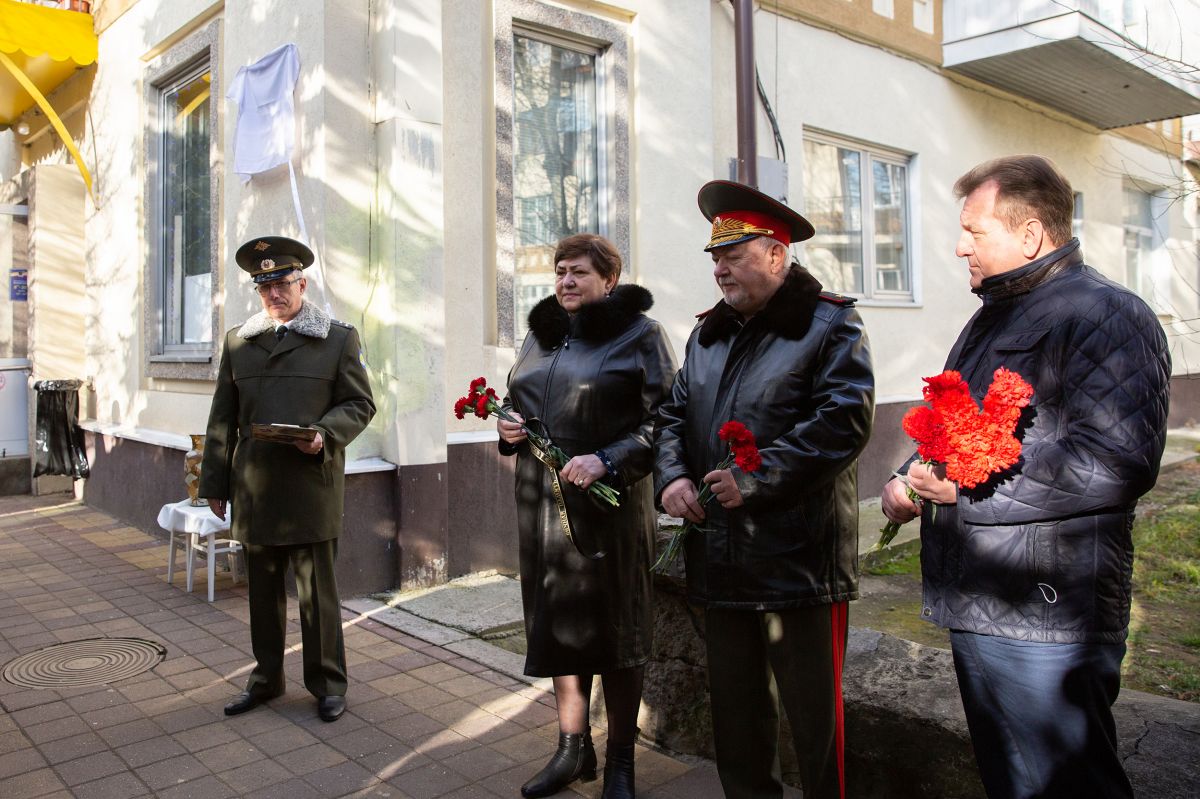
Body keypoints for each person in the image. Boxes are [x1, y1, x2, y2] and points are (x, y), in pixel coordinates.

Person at [881, 155, 1170, 799]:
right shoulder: (992, 316)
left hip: (1049, 616)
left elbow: (1115, 461)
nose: (960, 247)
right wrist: (909, 476)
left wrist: (966, 489)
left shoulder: (1107, 316)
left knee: (1069, 786)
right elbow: (957, 421)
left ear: (1032, 233)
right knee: (1010, 780)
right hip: (980, 597)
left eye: (974, 232)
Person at [654, 180, 874, 799]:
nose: (720, 268)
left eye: (734, 255)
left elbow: (843, 422)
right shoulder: (707, 334)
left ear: (776, 254)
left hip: (797, 561)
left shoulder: (830, 324)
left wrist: (755, 477)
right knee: (737, 714)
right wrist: (671, 478)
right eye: (716, 258)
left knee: (814, 724)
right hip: (720, 558)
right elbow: (672, 415)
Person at [497, 233, 676, 799]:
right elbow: (517, 398)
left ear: (610, 280)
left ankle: (621, 763)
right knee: (559, 625)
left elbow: (667, 420)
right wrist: (507, 424)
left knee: (617, 630)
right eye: (560, 271)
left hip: (611, 507)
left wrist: (609, 459)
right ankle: (573, 750)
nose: (566, 281)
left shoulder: (639, 335)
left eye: (578, 272)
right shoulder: (540, 334)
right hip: (542, 502)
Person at [201, 235, 375, 723]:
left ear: (302, 282)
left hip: (309, 486)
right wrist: (214, 483)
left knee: (316, 595)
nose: (274, 295)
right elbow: (222, 416)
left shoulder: (338, 339)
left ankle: (328, 684)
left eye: (282, 285)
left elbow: (360, 404)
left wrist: (323, 434)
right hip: (255, 490)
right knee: (261, 595)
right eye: (265, 288)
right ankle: (266, 679)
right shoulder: (241, 341)